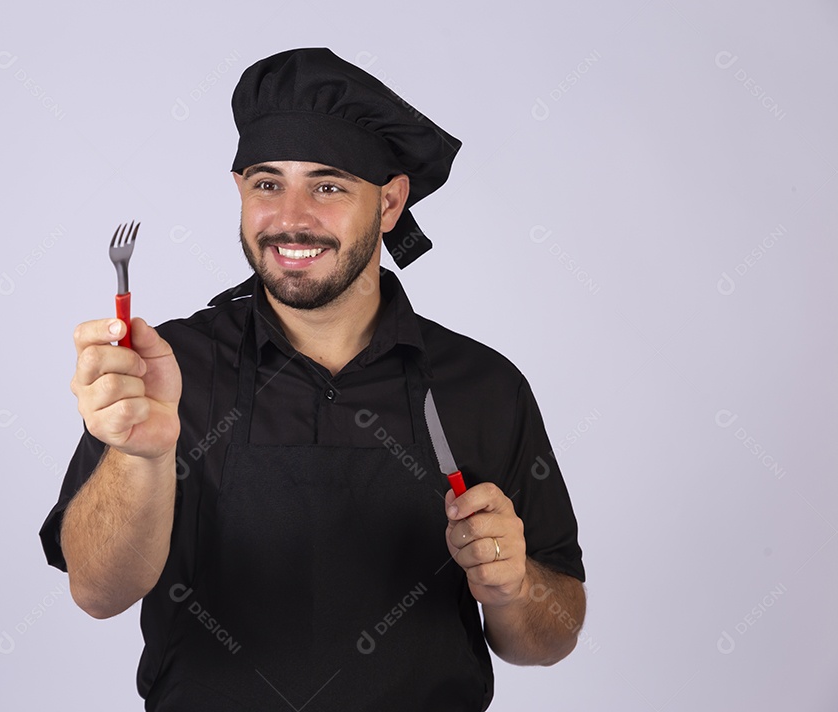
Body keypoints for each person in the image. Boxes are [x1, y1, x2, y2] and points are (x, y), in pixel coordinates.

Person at [41, 47, 586, 711]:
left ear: (389, 203)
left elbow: (550, 637)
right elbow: (97, 593)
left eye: (328, 186)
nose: (291, 217)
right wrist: (140, 452)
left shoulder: (483, 385)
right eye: (268, 183)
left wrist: (512, 587)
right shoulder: (165, 368)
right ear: (239, 189)